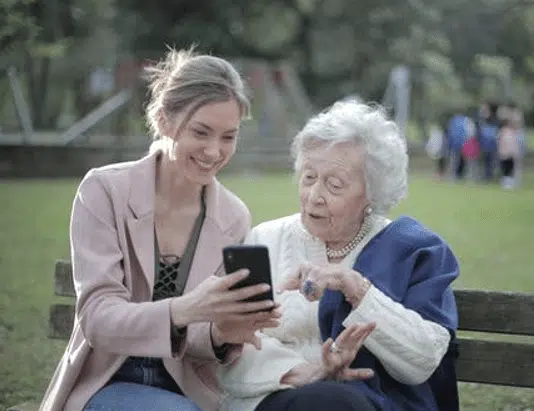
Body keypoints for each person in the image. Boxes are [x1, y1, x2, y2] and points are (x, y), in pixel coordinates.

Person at [39, 47, 281, 411]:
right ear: (165, 119)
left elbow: (198, 335)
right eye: (201, 132)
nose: (214, 152)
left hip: (189, 391)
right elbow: (98, 318)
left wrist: (220, 333)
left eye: (228, 137)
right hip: (106, 382)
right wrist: (184, 308)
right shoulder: (104, 190)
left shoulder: (233, 216)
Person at [218, 100, 460, 411]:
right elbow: (232, 343)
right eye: (308, 177)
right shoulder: (265, 239)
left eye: (334, 185)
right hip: (272, 397)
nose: (314, 196)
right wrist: (306, 372)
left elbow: (424, 359)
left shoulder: (414, 250)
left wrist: (357, 289)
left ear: (372, 194)